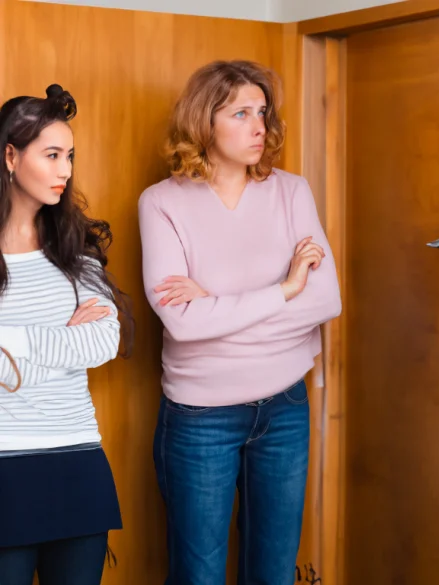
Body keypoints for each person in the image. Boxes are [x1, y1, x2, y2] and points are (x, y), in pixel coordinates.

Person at [138, 60, 342, 585]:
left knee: (273, 572)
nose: (260, 127)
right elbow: (181, 324)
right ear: (205, 122)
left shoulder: (291, 191)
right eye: (242, 113)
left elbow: (326, 301)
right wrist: (283, 291)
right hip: (200, 416)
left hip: (285, 408)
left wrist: (217, 305)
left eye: (263, 112)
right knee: (198, 574)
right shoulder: (160, 203)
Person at [0, 84, 133, 585]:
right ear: (10, 156)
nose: (65, 171)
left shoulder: (76, 254)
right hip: (4, 463)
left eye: (69, 156)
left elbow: (102, 343)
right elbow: (76, 344)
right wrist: (60, 336)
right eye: (52, 154)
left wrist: (12, 341)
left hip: (78, 459)